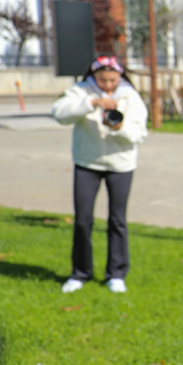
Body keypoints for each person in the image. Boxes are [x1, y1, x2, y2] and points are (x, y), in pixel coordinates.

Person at [50, 55, 148, 294]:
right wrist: (91, 103)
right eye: (103, 80)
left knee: (117, 220)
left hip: (121, 165)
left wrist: (118, 127)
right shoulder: (81, 91)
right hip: (87, 163)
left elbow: (139, 134)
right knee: (83, 221)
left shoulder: (130, 96)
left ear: (120, 76)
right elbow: (59, 114)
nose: (108, 85)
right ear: (94, 76)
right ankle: (80, 273)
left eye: (113, 80)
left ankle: (116, 274)